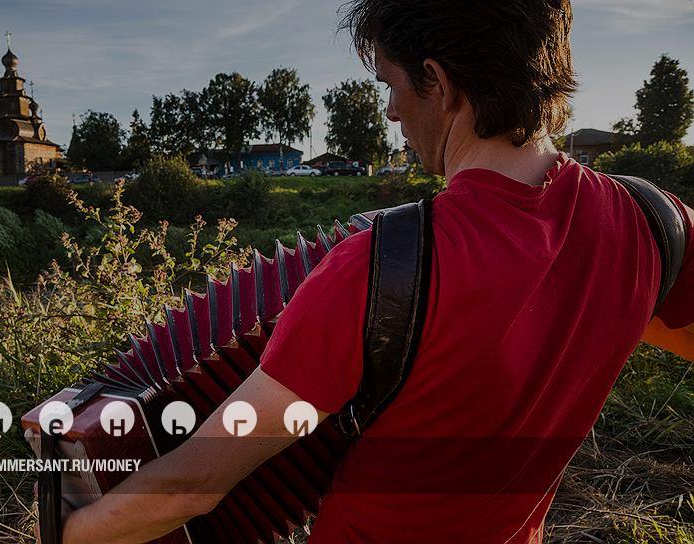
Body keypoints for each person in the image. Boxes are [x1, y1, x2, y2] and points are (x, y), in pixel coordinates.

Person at [54, 1, 694, 542]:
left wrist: (66, 532)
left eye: (390, 84)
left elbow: (190, 486)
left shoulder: (377, 269)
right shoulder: (651, 221)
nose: (389, 111)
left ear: (438, 82)